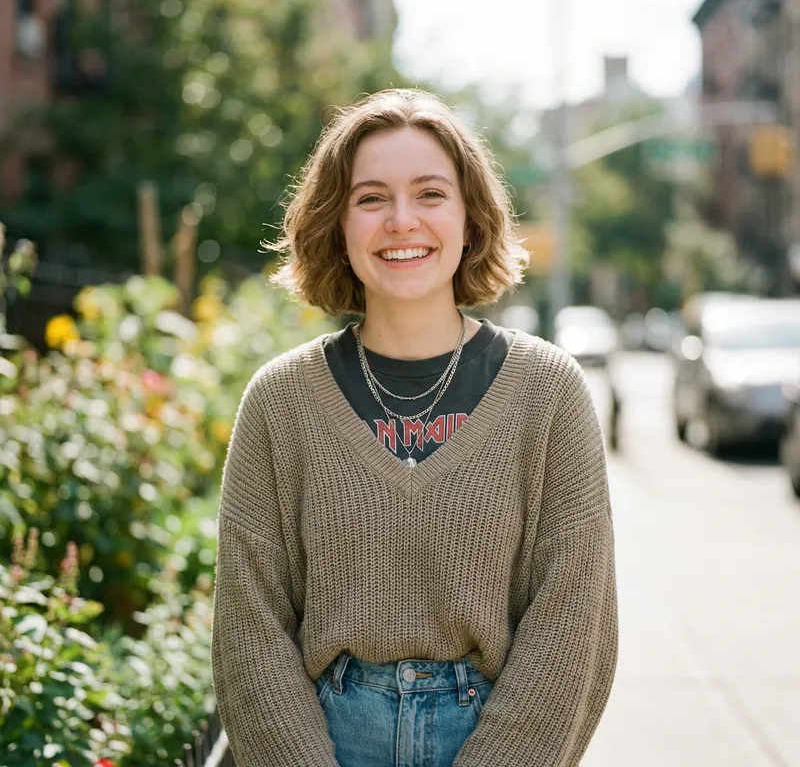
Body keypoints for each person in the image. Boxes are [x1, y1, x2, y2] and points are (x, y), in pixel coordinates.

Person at [211, 88, 618, 767]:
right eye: (371, 199)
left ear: (470, 218)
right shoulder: (280, 402)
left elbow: (573, 624)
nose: (402, 221)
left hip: (499, 738)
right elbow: (249, 631)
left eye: (430, 194)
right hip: (325, 742)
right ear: (337, 224)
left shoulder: (549, 393)